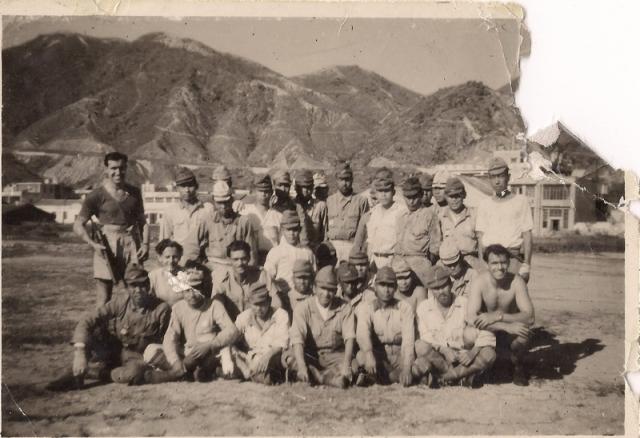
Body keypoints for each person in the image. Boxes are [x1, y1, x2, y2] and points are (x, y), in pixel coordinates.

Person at [46, 265, 171, 391]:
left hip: (136, 356)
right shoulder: (121, 302)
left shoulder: (161, 309)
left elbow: (167, 339)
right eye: (133, 286)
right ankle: (77, 372)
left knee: (135, 373)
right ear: (127, 288)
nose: (138, 290)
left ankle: (94, 372)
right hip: (113, 350)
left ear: (149, 286)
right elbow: (87, 320)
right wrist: (80, 353)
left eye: (142, 285)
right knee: (94, 331)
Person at [73, 151, 149, 307]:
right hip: (106, 245)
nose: (118, 172)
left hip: (130, 244)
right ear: (106, 169)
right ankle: (101, 330)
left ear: (126, 168)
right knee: (103, 296)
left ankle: (131, 327)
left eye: (121, 168)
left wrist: (146, 244)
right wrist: (92, 244)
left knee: (134, 291)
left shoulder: (134, 193)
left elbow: (143, 222)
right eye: (113, 168)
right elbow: (78, 224)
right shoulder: (96, 195)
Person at [413, 266, 496, 387]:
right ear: (430, 290)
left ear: (451, 285)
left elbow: (486, 332)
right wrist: (444, 350)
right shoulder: (424, 308)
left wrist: (472, 353)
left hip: (463, 358)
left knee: (489, 354)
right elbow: (425, 336)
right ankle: (461, 377)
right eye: (436, 288)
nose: (441, 291)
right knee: (420, 346)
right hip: (440, 359)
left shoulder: (465, 303)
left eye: (444, 286)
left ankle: (447, 377)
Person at [466, 244, 535, 386]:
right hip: (488, 330)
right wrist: (504, 326)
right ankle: (474, 367)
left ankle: (517, 367)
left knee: (523, 333)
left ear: (509, 263)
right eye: (494, 263)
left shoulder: (517, 282)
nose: (500, 267)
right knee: (468, 333)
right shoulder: (479, 282)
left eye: (503, 262)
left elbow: (530, 317)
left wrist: (499, 316)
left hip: (505, 330)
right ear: (487, 264)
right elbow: (471, 317)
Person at [159, 268, 241, 382]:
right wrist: (175, 361)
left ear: (203, 289)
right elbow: (170, 337)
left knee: (227, 352)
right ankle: (182, 370)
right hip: (188, 352)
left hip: (210, 351)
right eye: (187, 290)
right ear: (181, 291)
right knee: (151, 351)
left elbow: (232, 331)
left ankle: (178, 374)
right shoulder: (178, 308)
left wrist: (210, 345)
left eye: (196, 289)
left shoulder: (214, 305)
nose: (192, 295)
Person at [286, 266, 356, 388]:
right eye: (322, 288)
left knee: (355, 364)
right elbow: (297, 339)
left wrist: (346, 365)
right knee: (289, 357)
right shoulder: (303, 307)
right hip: (311, 354)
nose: (326, 294)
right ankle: (326, 378)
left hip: (335, 355)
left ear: (335, 291)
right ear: (314, 288)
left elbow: (349, 337)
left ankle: (317, 376)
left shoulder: (345, 307)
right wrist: (302, 366)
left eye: (330, 290)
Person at [355, 267, 416, 387]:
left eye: (390, 286)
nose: (386, 290)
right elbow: (362, 333)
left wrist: (407, 367)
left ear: (395, 288)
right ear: (375, 287)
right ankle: (393, 377)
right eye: (382, 285)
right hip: (378, 356)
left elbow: (408, 339)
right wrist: (368, 353)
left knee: (419, 365)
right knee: (361, 357)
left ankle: (383, 378)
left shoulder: (404, 307)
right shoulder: (366, 307)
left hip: (400, 356)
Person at [475, 157, 533, 283]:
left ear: (508, 176)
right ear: (489, 179)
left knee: (511, 297)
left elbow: (527, 235)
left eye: (500, 176)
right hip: (490, 260)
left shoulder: (521, 201)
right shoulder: (484, 204)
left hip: (512, 258)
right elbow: (480, 238)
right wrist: (482, 265)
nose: (497, 181)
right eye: (493, 177)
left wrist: (526, 265)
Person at [233, 282, 290, 385]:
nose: (259, 308)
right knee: (227, 354)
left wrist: (267, 357)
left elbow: (281, 345)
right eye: (255, 304)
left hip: (273, 356)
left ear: (269, 301)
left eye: (262, 303)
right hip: (250, 358)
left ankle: (250, 375)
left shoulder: (280, 315)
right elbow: (230, 336)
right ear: (249, 303)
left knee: (268, 377)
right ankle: (245, 372)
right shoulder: (244, 317)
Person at [395, 176, 441, 287]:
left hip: (420, 265)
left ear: (420, 195)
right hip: (400, 264)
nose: (411, 201)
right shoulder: (400, 216)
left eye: (414, 197)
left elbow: (435, 248)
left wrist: (425, 264)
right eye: (408, 197)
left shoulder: (429, 215)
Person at [159, 167, 211, 265]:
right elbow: (164, 243)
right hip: (178, 263)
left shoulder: (207, 209)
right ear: (177, 188)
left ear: (196, 186)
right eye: (183, 186)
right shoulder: (170, 212)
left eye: (190, 185)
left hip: (202, 262)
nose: (187, 190)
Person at [355, 174, 408, 270]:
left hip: (392, 259)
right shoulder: (373, 213)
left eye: (387, 191)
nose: (383, 195)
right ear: (376, 193)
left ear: (393, 192)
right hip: (374, 260)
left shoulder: (401, 212)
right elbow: (370, 241)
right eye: (380, 191)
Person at [205, 180, 258, 274]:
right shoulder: (207, 220)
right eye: (219, 202)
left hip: (237, 270)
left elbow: (252, 255)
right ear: (213, 200)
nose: (223, 206)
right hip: (213, 269)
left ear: (232, 200)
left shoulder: (244, 222)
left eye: (226, 202)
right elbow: (194, 247)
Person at [263, 210, 316, 295]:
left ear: (300, 230)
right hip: (283, 296)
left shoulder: (307, 252)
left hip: (303, 296)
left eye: (295, 230)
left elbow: (313, 276)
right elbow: (267, 277)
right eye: (288, 230)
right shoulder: (276, 252)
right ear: (282, 230)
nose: (292, 233)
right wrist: (275, 295)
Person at [326, 162, 369, 262]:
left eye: (347, 179)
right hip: (332, 248)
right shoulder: (329, 201)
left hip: (352, 247)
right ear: (336, 180)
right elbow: (324, 229)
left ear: (352, 179)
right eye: (341, 179)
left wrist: (359, 249)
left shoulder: (361, 201)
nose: (344, 183)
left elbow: (365, 229)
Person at [212, 240, 265, 321]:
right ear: (229, 260)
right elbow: (216, 308)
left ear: (249, 258)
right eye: (235, 259)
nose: (240, 263)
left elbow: (276, 302)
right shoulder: (221, 279)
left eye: (243, 259)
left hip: (255, 324)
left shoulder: (260, 275)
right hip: (232, 325)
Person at [439, 177, 481, 270]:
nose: (454, 200)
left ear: (464, 195)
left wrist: (481, 263)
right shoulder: (441, 216)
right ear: (445, 197)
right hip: (448, 261)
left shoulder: (474, 215)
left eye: (457, 196)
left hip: (470, 260)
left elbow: (481, 242)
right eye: (451, 196)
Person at [240, 174, 281, 265]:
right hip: (250, 260)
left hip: (272, 260)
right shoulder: (246, 212)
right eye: (260, 191)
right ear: (254, 191)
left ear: (271, 192)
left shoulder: (278, 216)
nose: (264, 194)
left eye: (267, 191)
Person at [270, 169, 311, 246]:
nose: (283, 189)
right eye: (280, 185)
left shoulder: (296, 206)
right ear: (274, 185)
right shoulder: (270, 205)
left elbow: (303, 231)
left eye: (286, 185)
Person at [294, 169, 328, 249]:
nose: (307, 191)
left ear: (313, 187)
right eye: (303, 187)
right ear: (296, 188)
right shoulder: (291, 205)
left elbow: (325, 234)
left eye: (309, 187)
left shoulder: (320, 206)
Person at [148, 239, 189, 306]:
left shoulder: (186, 274)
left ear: (180, 257)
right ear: (160, 258)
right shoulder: (153, 276)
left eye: (175, 257)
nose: (171, 261)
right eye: (167, 257)